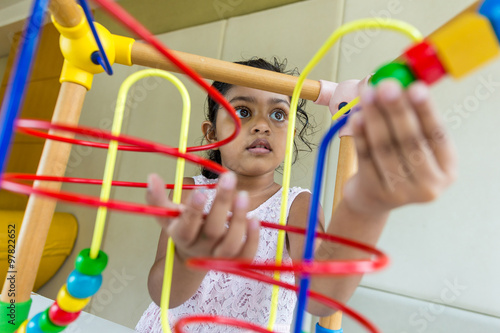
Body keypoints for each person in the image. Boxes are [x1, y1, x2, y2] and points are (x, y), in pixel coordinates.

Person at [135, 58, 457, 332]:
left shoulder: (296, 205)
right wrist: (190, 260)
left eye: (278, 115)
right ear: (211, 134)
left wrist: (367, 207)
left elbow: (321, 296)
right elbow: (163, 294)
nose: (262, 125)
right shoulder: (190, 193)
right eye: (243, 112)